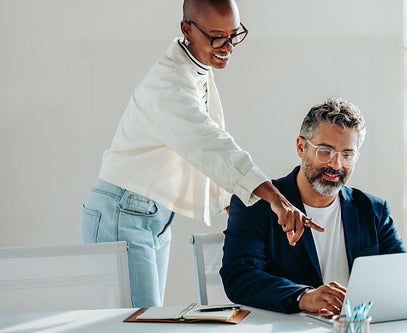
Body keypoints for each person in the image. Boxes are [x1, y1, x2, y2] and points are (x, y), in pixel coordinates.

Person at [80, 0, 322, 308]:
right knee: (141, 328)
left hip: (151, 214)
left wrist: (234, 211)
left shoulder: (195, 70)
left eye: (235, 35)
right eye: (217, 37)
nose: (228, 46)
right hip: (120, 213)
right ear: (186, 29)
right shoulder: (170, 86)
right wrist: (277, 199)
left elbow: (204, 151)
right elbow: (213, 146)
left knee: (148, 321)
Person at [220, 97, 407, 315]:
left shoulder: (374, 210)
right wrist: (302, 297)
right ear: (301, 146)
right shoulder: (257, 204)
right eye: (325, 150)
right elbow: (240, 277)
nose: (336, 164)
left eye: (347, 154)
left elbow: (402, 274)